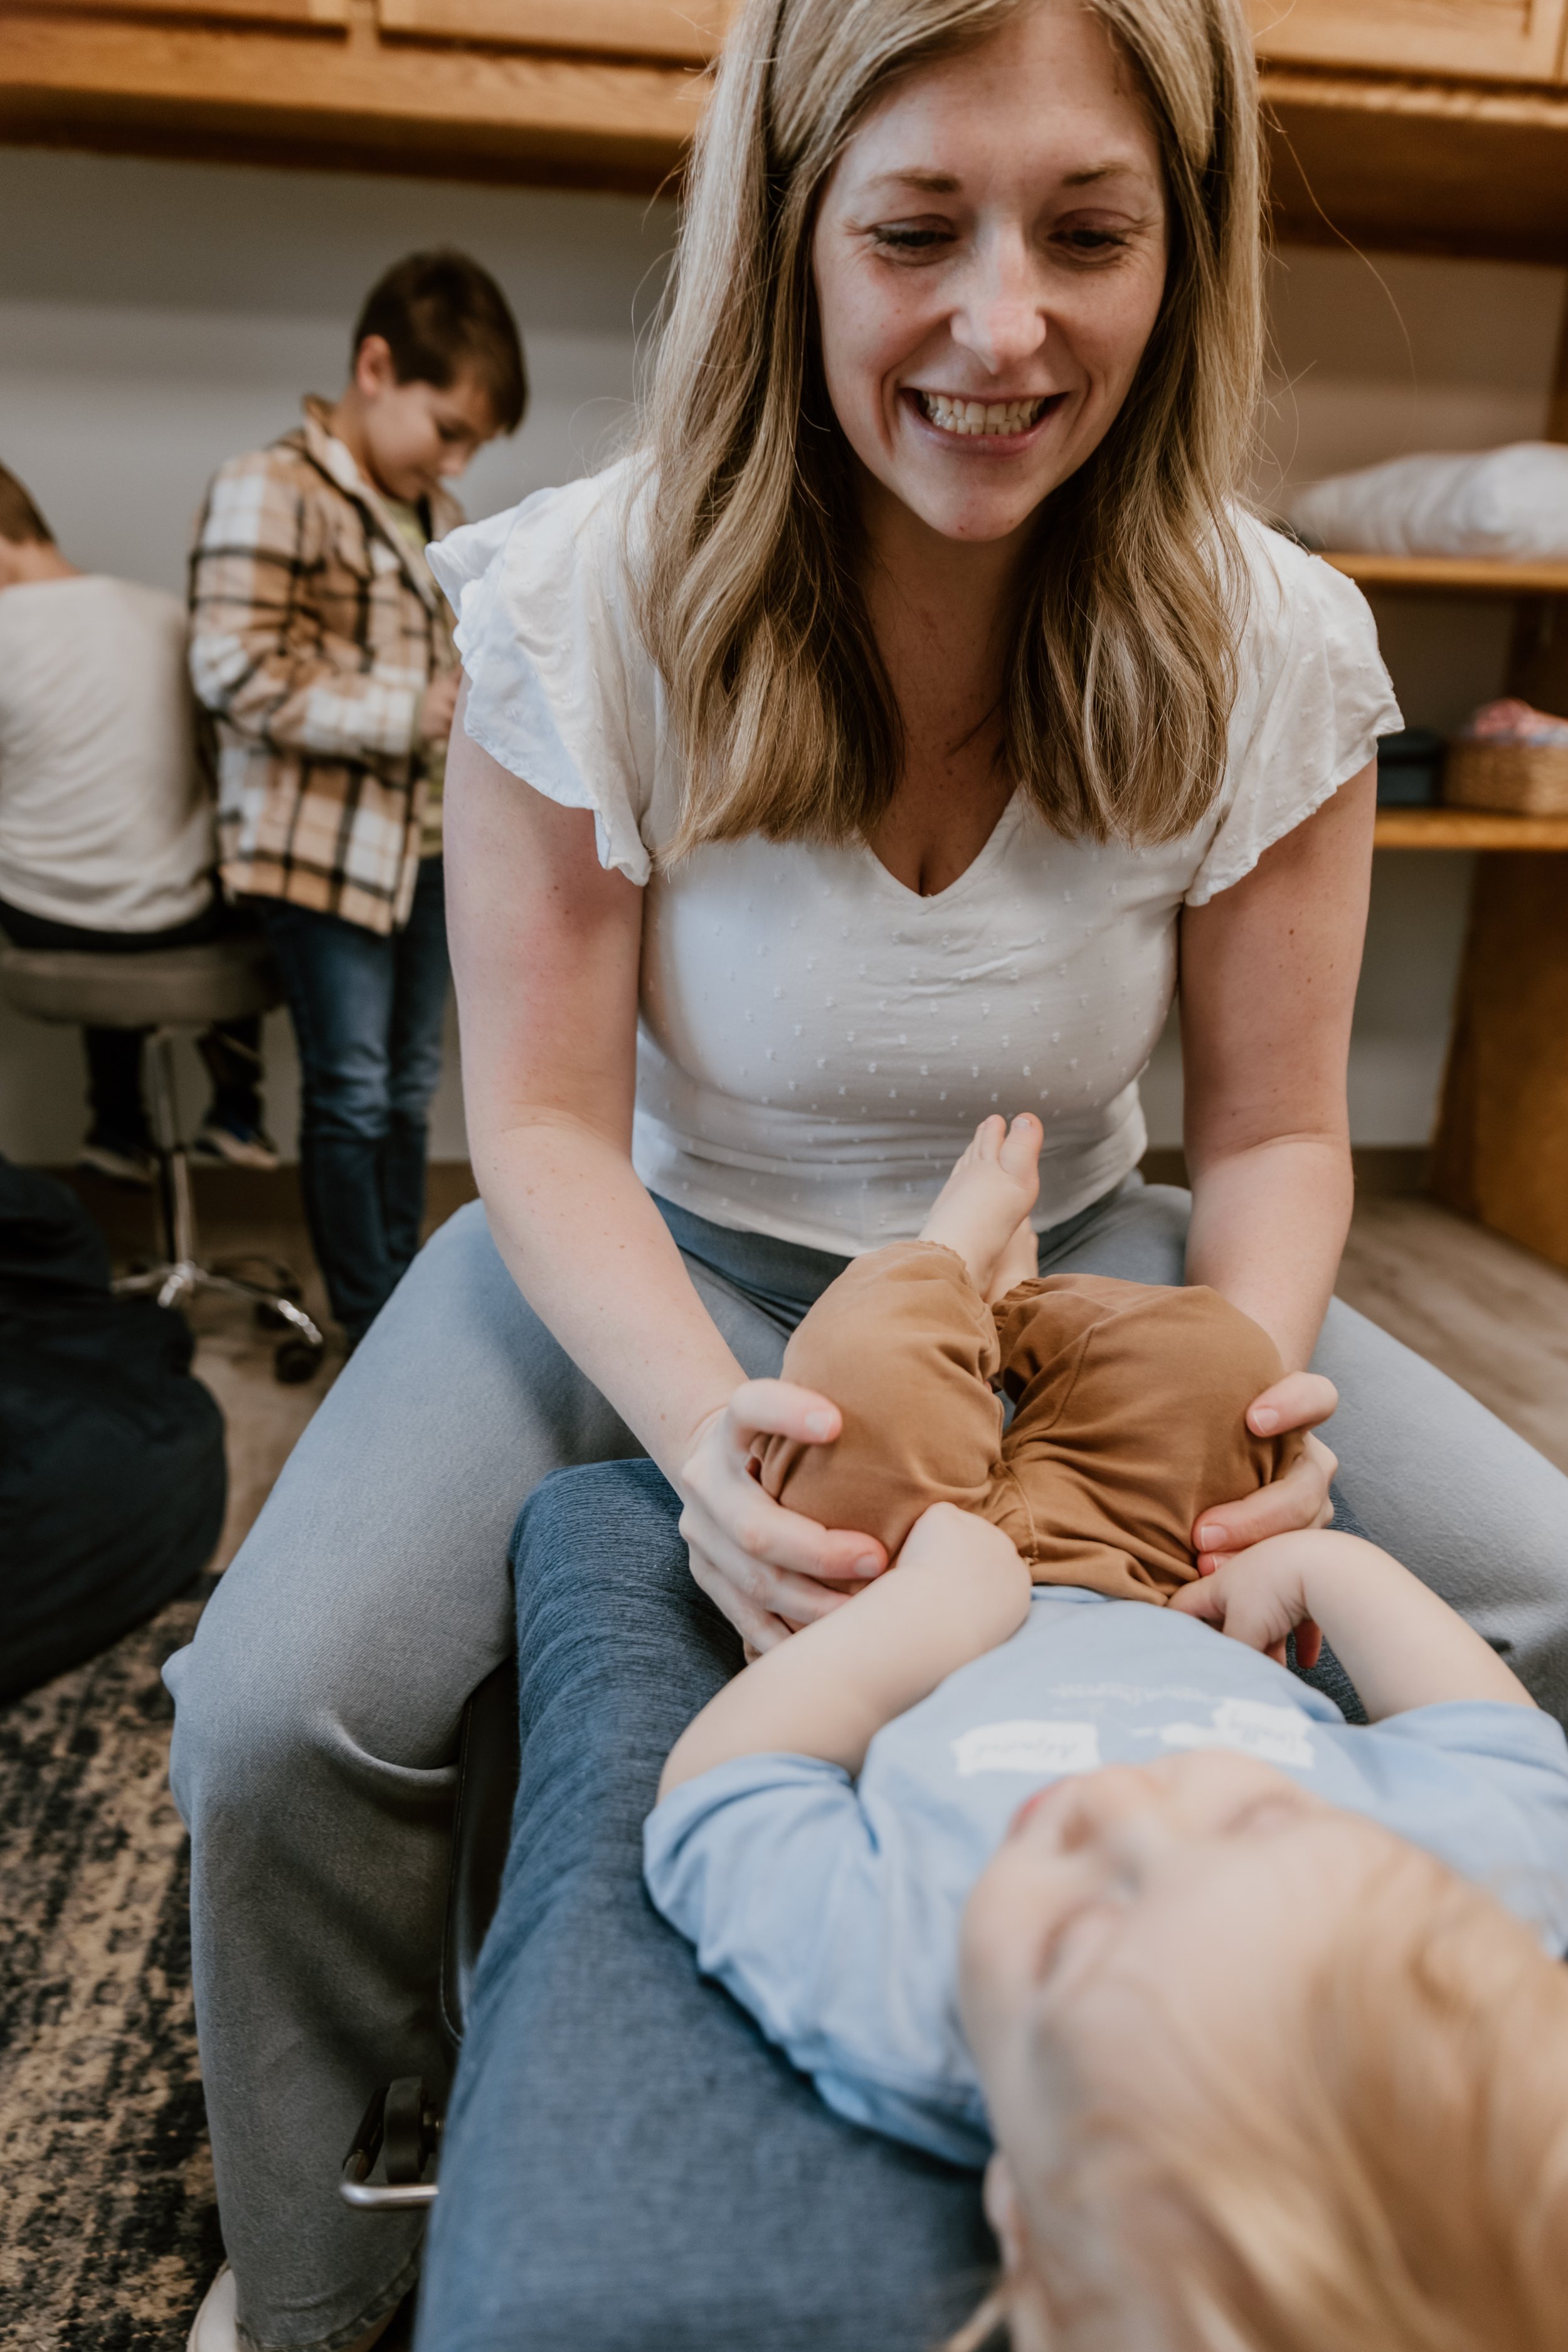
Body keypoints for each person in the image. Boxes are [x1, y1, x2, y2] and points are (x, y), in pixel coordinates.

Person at [164, 3, 1568, 2348]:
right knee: (274, 1707)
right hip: (664, 1230)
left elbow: (1277, 1130)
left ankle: (1413, 2172)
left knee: (1537, 1583)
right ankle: (320, 2265)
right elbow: (529, 1121)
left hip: (1098, 1261)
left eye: (1089, 232)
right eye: (918, 226)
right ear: (787, 231)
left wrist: (1246, 1379)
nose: (1001, 326)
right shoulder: (573, 598)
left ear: (1182, 249)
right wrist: (705, 1420)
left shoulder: (1277, 642)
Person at [647, 1507, 1568, 2352]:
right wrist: (1326, 1567)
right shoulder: (1459, 1914)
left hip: (907, 1565)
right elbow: (1500, 1746)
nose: (1114, 1800)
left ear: (1017, 2211)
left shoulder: (908, 2007)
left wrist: (934, 1610)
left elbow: (728, 1789)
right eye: (1260, 1825)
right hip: (1183, 1551)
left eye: (1077, 1937)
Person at [187, 250, 526, 1346]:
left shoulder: (437, 513)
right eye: (450, 427)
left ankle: (401, 1299)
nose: (460, 458)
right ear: (375, 368)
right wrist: (406, 707)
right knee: (353, 1088)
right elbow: (234, 671)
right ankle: (370, 1321)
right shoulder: (269, 488)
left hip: (427, 846)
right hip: (321, 853)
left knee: (414, 1081)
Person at [0, 464, 274, 1183]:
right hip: (176, 917)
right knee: (202, 873)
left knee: (66, 872)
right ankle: (238, 1109)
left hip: (45, 923)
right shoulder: (167, 616)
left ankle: (117, 1127)